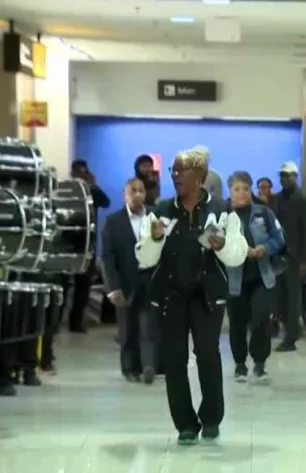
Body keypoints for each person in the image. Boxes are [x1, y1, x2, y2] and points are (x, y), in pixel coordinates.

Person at [134, 147, 248, 446]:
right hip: (170, 295)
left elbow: (237, 256)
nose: (175, 175)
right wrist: (155, 238)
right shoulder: (160, 209)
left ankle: (211, 418)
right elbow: (145, 258)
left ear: (200, 176)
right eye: (173, 170)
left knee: (208, 355)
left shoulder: (221, 210)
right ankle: (185, 424)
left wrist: (222, 244)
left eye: (181, 170)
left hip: (207, 294)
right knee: (174, 359)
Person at [225, 171, 285, 384]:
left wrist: (265, 248)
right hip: (233, 281)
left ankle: (259, 363)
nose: (241, 193)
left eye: (245, 189)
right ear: (230, 192)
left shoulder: (264, 213)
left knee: (261, 319)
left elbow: (279, 239)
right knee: (237, 323)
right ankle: (240, 365)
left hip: (261, 277)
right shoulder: (223, 215)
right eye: (236, 189)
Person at [102, 178, 159, 384]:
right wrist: (112, 287)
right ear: (124, 195)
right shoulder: (113, 221)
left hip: (151, 279)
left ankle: (149, 365)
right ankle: (130, 368)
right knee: (128, 328)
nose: (137, 194)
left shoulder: (156, 217)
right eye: (132, 190)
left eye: (141, 190)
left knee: (150, 326)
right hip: (125, 283)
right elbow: (107, 257)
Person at [273, 161, 306, 351]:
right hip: (277, 254)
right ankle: (284, 330)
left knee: (293, 298)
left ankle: (291, 337)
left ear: (295, 177)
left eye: (289, 175)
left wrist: (305, 260)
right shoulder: (275, 199)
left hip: (295, 256)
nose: (285, 178)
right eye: (282, 175)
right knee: (280, 296)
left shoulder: (303, 199)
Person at [66, 159, 111, 333]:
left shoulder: (92, 192)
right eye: (77, 172)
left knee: (83, 286)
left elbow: (105, 202)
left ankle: (77, 321)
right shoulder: (67, 190)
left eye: (82, 172)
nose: (79, 176)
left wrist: (93, 186)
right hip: (68, 243)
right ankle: (65, 320)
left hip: (87, 244)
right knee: (65, 286)